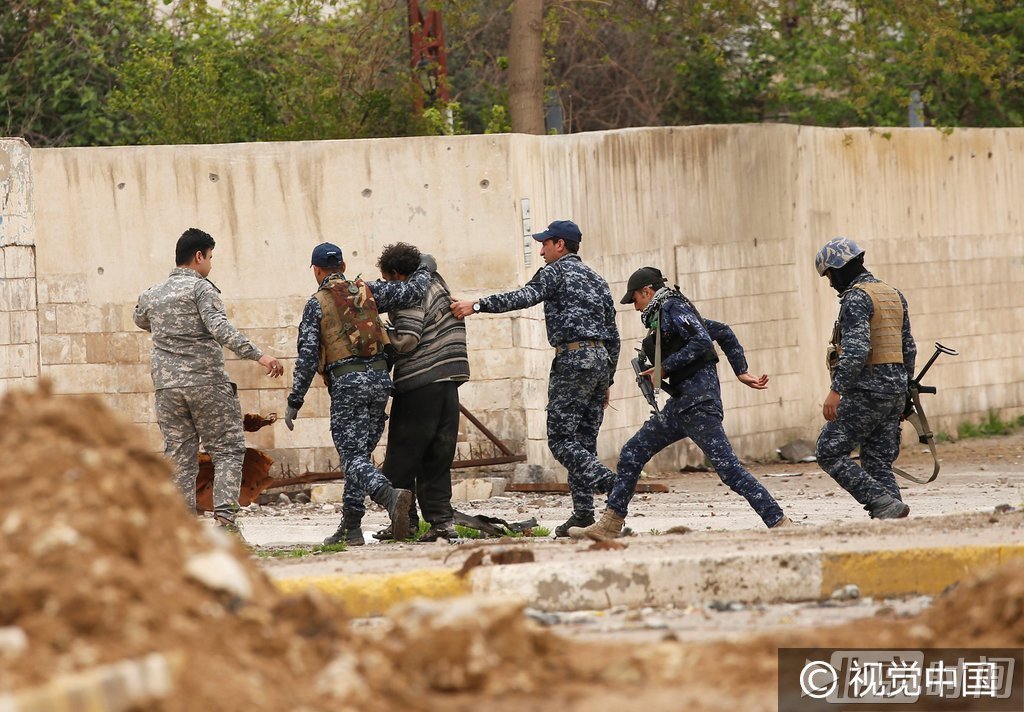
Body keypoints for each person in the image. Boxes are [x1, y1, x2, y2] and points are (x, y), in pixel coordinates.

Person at [570, 267, 790, 539]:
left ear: (647, 291)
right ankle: (610, 524)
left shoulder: (672, 307)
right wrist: (741, 370)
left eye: (636, 300)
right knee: (632, 452)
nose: (636, 308)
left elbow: (701, 340)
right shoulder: (667, 315)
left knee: (729, 469)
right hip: (681, 406)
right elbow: (721, 331)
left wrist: (664, 368)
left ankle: (779, 522)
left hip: (699, 405)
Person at [451, 219, 620, 537]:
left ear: (560, 245)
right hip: (599, 361)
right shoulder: (598, 280)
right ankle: (584, 515)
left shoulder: (554, 272)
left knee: (560, 441)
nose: (541, 250)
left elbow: (523, 297)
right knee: (583, 442)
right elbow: (613, 333)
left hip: (572, 360)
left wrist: (476, 305)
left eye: (545, 244)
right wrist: (607, 378)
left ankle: (610, 483)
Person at [284, 242, 436, 543]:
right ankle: (351, 527)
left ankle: (389, 496)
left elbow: (307, 357)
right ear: (342, 266)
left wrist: (294, 401)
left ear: (317, 271)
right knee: (360, 458)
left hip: (348, 385)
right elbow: (412, 292)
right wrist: (423, 268)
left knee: (352, 456)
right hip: (380, 382)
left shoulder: (317, 303)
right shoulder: (368, 290)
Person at [134, 227, 283, 527]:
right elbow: (220, 329)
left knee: (179, 458)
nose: (211, 264)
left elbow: (140, 319)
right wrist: (259, 355)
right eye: (210, 257)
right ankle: (226, 523)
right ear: (198, 256)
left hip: (168, 389)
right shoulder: (202, 289)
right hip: (206, 384)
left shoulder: (152, 294)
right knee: (228, 449)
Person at [371, 242, 470, 543]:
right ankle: (442, 523)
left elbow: (408, 340)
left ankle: (406, 523)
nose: (389, 287)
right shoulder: (437, 283)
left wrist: (381, 332)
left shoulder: (410, 293)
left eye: (388, 280)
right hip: (448, 381)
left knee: (402, 458)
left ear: (398, 275)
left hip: (420, 382)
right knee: (436, 457)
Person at [813, 237, 916, 519]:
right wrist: (905, 393)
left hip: (868, 391)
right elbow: (909, 348)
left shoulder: (856, 298)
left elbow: (857, 350)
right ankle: (892, 515)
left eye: (830, 275)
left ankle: (879, 502)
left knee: (828, 451)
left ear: (839, 268)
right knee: (876, 460)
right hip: (894, 392)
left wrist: (836, 391)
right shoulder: (892, 293)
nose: (831, 283)